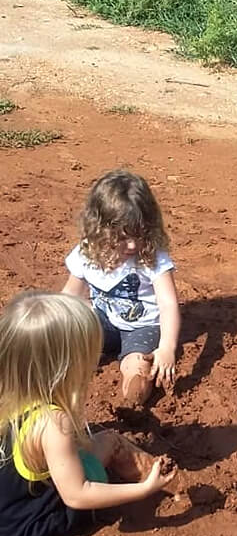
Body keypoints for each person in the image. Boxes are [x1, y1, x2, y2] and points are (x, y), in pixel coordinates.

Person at [0, 292, 176, 536]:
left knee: (81, 443)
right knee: (110, 441)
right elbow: (77, 495)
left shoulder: (8, 395)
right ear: (65, 367)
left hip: (8, 509)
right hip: (35, 525)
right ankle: (167, 482)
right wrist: (143, 491)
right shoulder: (53, 422)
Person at [62, 170, 180, 405]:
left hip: (142, 327)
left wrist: (167, 347)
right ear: (101, 229)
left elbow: (168, 304)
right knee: (71, 344)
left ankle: (135, 383)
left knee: (136, 371)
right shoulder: (86, 253)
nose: (133, 244)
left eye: (139, 235)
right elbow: (69, 295)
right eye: (123, 237)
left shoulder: (152, 257)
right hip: (101, 321)